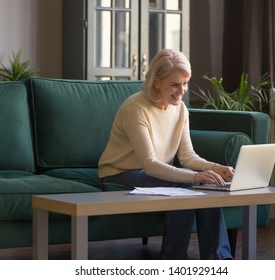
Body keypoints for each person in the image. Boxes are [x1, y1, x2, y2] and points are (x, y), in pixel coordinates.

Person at [98, 49, 234, 260]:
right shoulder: (136, 108)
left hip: (155, 173)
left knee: (210, 184)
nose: (182, 91)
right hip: (120, 174)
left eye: (185, 83)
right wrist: (193, 176)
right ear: (156, 82)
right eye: (175, 84)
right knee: (185, 185)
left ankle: (220, 261)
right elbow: (150, 164)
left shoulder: (180, 110)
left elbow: (188, 156)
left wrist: (215, 169)